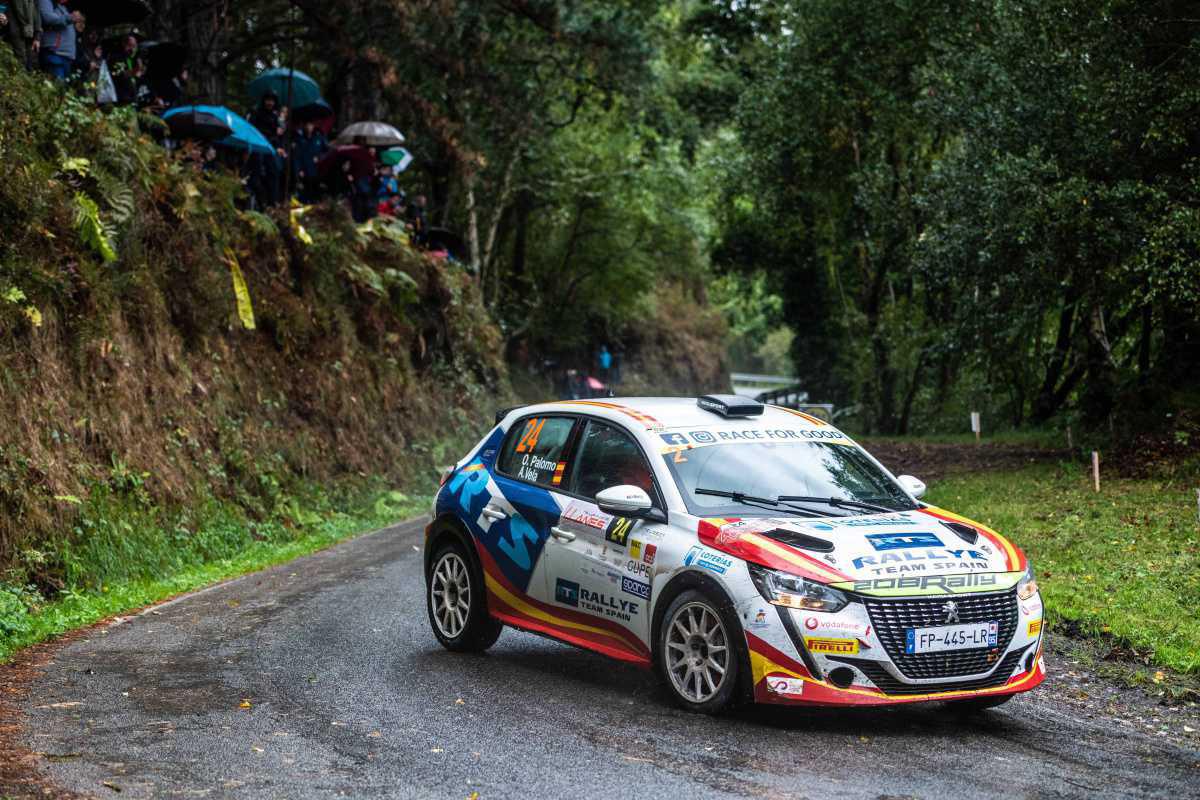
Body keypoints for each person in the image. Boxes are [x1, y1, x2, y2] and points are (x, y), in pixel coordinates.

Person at [249, 92, 286, 206]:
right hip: (258, 146)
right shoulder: (256, 113)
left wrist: (279, 146)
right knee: (257, 172)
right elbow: (252, 130)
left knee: (274, 171)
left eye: (272, 101)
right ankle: (258, 199)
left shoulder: (275, 117)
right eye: (268, 100)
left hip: (270, 148)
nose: (270, 103)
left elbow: (276, 136)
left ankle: (272, 201)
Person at [37, 0, 77, 81]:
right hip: (55, 54)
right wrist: (70, 17)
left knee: (61, 90)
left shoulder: (62, 6)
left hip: (65, 56)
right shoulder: (47, 2)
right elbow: (48, 18)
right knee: (56, 87)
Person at [291, 120, 328, 204]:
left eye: (310, 125)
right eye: (307, 125)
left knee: (315, 195)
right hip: (304, 171)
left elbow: (327, 152)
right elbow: (297, 157)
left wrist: (319, 157)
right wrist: (299, 170)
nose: (308, 127)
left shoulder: (319, 138)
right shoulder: (300, 139)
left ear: (313, 126)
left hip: (316, 171)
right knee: (304, 195)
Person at [4, 0, 41, 71]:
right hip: (14, 34)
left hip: (31, 35)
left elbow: (37, 14)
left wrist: (37, 36)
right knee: (20, 63)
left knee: (32, 65)